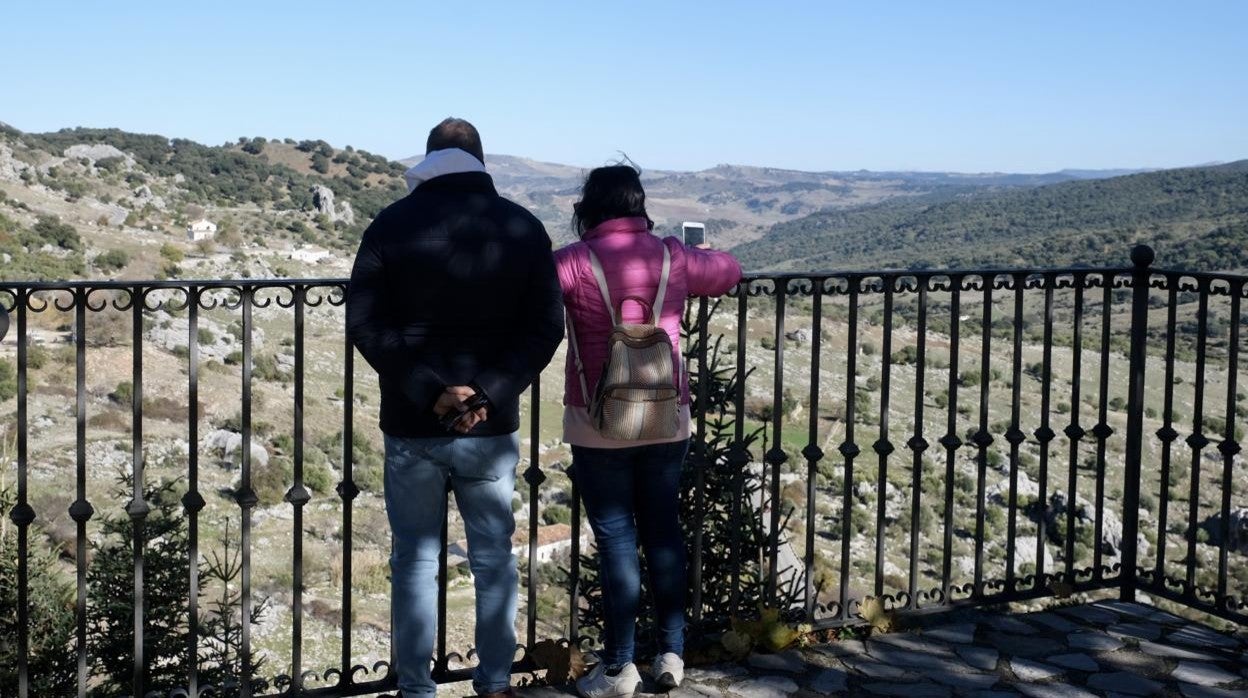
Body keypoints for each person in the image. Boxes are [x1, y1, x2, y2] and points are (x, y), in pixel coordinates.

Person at [347, 117, 564, 698]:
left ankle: (416, 689)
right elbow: (545, 326)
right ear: (481, 161)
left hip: (413, 425)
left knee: (416, 562)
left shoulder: (388, 225)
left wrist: (429, 390)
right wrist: (487, 392)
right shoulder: (522, 226)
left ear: (428, 160)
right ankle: (494, 683)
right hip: (489, 428)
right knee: (493, 558)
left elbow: (365, 322)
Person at [554, 165, 742, 697]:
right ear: (639, 205)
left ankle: (617, 667)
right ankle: (672, 654)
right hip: (667, 415)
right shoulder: (670, 255)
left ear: (587, 207)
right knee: (663, 532)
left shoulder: (571, 263)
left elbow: (525, 295)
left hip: (598, 421)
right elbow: (728, 271)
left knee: (617, 538)